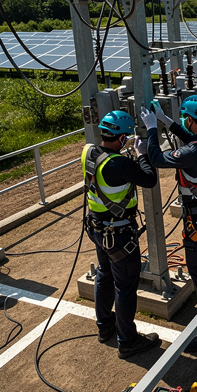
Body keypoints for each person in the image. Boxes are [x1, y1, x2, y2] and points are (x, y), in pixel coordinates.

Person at [140, 95, 197, 354]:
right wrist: (165, 120)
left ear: (190, 120)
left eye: (184, 120)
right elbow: (192, 140)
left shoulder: (192, 152)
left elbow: (157, 158)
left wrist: (150, 129)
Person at [82, 110, 161, 359]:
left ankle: (105, 326)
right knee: (125, 285)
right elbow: (149, 179)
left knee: (105, 275)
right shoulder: (119, 163)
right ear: (123, 137)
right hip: (119, 234)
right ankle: (127, 340)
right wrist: (142, 154)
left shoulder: (88, 151)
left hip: (97, 228)